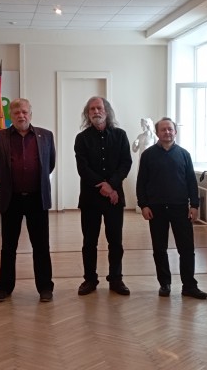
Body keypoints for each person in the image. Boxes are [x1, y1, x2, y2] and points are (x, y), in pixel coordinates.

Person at [0, 98, 55, 303]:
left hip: (37, 199)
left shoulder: (46, 136)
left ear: (30, 114)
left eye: (24, 112)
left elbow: (50, 164)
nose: (21, 115)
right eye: (16, 112)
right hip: (11, 199)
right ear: (11, 116)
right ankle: (4, 288)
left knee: (41, 246)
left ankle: (45, 288)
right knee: (8, 247)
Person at [136, 117, 207, 299]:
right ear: (157, 132)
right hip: (156, 209)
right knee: (159, 248)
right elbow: (141, 182)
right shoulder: (148, 155)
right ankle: (165, 284)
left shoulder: (184, 154)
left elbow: (191, 182)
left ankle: (189, 285)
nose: (167, 132)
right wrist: (143, 205)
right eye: (163, 129)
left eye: (170, 129)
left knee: (186, 249)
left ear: (175, 132)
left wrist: (195, 205)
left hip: (180, 208)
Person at [74, 96, 132, 296]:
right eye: (92, 109)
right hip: (90, 198)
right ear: (87, 114)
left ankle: (116, 279)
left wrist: (112, 185)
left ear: (106, 111)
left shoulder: (120, 135)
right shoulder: (82, 138)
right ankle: (90, 280)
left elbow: (126, 163)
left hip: (114, 198)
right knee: (89, 242)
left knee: (115, 241)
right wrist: (105, 186)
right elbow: (83, 168)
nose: (96, 112)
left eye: (99, 108)